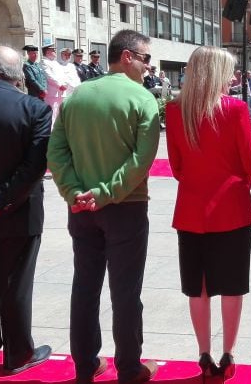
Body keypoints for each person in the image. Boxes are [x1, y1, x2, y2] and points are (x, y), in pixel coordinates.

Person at [47, 29, 160, 384]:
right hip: (125, 205)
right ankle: (128, 368)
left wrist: (73, 191)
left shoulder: (77, 96)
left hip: (81, 208)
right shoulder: (143, 100)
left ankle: (85, 366)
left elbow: (56, 152)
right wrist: (107, 192)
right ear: (127, 56)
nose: (148, 67)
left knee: (85, 286)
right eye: (145, 59)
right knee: (126, 291)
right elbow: (141, 161)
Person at [165, 46, 251, 382]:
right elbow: (250, 166)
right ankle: (228, 353)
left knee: (198, 287)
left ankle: (203, 353)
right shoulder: (235, 109)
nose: (233, 78)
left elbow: (176, 166)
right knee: (232, 286)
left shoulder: (175, 110)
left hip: (190, 209)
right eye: (229, 72)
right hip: (231, 207)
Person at [0, 46, 53, 375]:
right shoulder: (34, 108)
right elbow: (35, 165)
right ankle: (18, 353)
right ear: (18, 74)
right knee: (15, 285)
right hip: (18, 212)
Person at [40, 43, 71, 123]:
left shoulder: (55, 63)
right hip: (52, 93)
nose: (55, 52)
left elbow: (63, 75)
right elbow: (49, 76)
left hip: (61, 92)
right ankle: (51, 133)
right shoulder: (44, 62)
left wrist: (65, 84)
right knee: (52, 114)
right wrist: (60, 85)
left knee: (59, 114)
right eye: (53, 50)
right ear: (47, 52)